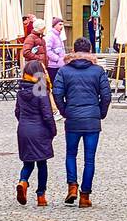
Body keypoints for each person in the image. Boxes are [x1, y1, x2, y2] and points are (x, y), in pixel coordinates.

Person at [52, 37, 112, 208]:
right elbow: (106, 95)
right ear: (90, 51)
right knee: (89, 159)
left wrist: (64, 110)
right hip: (92, 119)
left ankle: (72, 186)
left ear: (73, 51)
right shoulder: (98, 71)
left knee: (71, 154)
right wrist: (100, 112)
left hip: (73, 118)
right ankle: (85, 196)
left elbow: (57, 94)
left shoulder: (64, 71)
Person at [15, 59, 56, 207]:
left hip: (24, 129)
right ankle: (41, 196)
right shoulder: (40, 90)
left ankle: (23, 182)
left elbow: (17, 112)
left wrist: (24, 122)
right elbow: (47, 114)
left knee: (28, 163)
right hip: (39, 130)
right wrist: (53, 130)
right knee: (42, 163)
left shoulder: (21, 91)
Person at [46, 17, 67, 91]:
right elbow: (47, 50)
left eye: (62, 25)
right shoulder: (51, 36)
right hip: (52, 66)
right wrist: (57, 59)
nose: (61, 27)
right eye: (60, 24)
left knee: (58, 86)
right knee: (54, 86)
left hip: (58, 65)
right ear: (54, 25)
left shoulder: (58, 35)